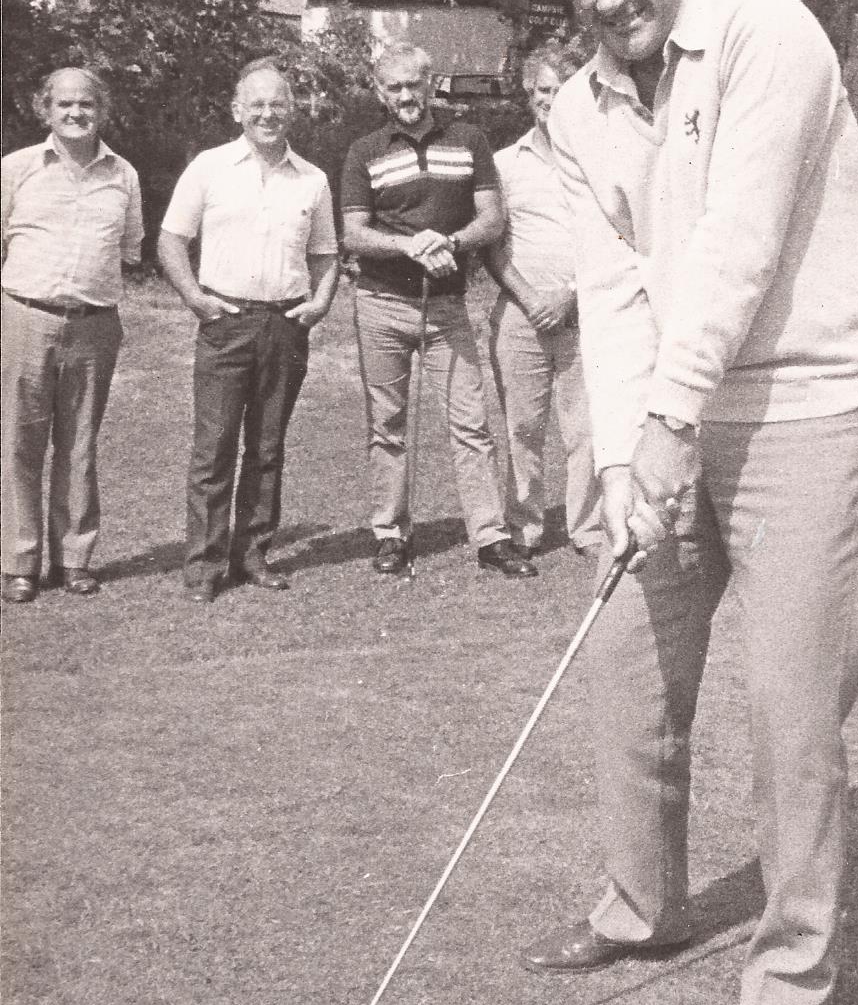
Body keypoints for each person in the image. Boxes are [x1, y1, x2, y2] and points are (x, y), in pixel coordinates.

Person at [520, 0, 858, 1005]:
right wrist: (631, 448)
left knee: (789, 700)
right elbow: (614, 287)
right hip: (671, 411)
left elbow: (737, 235)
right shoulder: (575, 105)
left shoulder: (765, 30)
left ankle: (791, 967)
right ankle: (638, 904)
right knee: (625, 660)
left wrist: (675, 416)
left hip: (803, 402)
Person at [339, 42, 533, 578]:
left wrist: (447, 241)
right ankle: (390, 534)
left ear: (432, 85)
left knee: (471, 423)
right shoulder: (364, 151)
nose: (407, 96)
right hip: (381, 305)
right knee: (388, 423)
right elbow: (353, 233)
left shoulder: (468, 139)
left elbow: (491, 221)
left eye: (415, 84)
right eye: (395, 87)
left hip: (446, 308)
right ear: (381, 93)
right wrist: (410, 246)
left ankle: (491, 538)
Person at [159, 60, 339, 602]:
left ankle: (253, 553)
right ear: (238, 111)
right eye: (256, 105)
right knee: (213, 448)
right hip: (226, 322)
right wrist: (194, 297)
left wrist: (321, 302)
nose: (268, 114)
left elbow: (326, 252)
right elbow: (170, 240)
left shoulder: (313, 178)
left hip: (285, 324)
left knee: (267, 447)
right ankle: (205, 566)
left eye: (277, 104)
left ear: (292, 110)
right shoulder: (210, 167)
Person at [2, 68, 143, 603]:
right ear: (46, 110)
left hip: (94, 324)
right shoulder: (15, 169)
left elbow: (130, 248)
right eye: (65, 104)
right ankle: (20, 562)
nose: (76, 113)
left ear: (100, 111)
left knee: (79, 443)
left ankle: (74, 559)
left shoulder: (123, 175)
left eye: (86, 104)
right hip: (25, 315)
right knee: (20, 442)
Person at [486, 43, 602, 558]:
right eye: (541, 91)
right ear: (528, 97)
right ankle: (524, 527)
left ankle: (589, 528)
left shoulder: (601, 158)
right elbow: (491, 243)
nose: (550, 100)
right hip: (520, 314)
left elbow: (616, 237)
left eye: (560, 90)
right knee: (522, 428)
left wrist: (571, 296)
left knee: (588, 430)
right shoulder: (505, 164)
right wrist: (532, 297)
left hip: (587, 312)